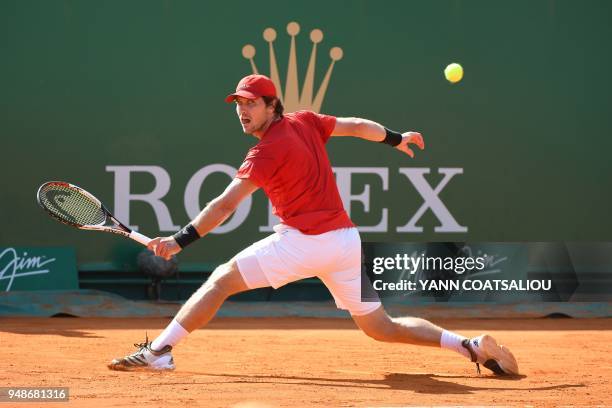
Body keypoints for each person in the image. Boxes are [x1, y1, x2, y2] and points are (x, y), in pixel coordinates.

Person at [108, 74, 518, 376]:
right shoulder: (305, 121)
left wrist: (180, 240)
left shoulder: (265, 152)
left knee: (219, 281)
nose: (243, 111)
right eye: (239, 104)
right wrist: (395, 138)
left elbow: (225, 204)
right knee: (381, 327)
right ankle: (469, 346)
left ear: (273, 106)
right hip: (343, 241)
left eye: (251, 103)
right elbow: (356, 126)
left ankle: (160, 351)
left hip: (305, 242)